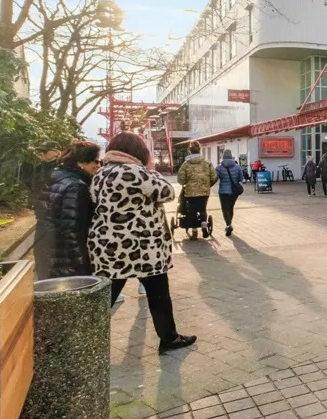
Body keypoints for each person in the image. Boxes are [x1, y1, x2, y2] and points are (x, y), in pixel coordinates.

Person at [88, 133, 195, 354]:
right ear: (138, 151)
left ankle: (86, 339)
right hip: (142, 248)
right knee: (158, 295)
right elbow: (168, 192)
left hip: (109, 247)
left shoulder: (100, 173)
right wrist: (152, 169)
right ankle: (169, 338)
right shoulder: (137, 172)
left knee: (105, 296)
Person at [33, 140, 100, 279]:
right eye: (95, 161)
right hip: (65, 259)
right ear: (81, 163)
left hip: (46, 251)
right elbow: (72, 230)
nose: (98, 165)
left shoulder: (55, 177)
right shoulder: (77, 186)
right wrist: (82, 265)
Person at [176, 143, 217, 238]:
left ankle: (194, 231)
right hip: (204, 192)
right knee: (202, 209)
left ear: (190, 150)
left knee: (192, 211)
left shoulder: (185, 164)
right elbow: (214, 176)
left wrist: (186, 182)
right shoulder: (207, 162)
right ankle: (203, 226)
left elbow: (180, 179)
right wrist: (207, 184)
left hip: (190, 192)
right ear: (199, 150)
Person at [215, 149, 245, 236]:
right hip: (234, 191)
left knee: (225, 209)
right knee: (230, 208)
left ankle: (228, 225)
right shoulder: (237, 166)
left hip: (223, 191)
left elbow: (215, 178)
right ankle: (229, 224)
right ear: (231, 156)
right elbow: (240, 179)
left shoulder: (219, 167)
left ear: (223, 156)